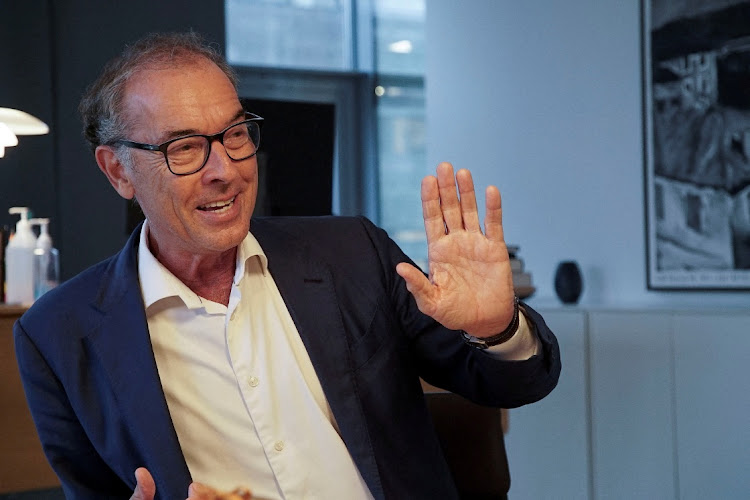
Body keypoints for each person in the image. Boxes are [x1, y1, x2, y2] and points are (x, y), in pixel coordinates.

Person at [14, 32, 560, 500]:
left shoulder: (353, 255)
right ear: (118, 171)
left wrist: (495, 329)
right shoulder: (59, 335)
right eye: (184, 148)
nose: (224, 169)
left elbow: (513, 384)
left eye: (233, 134)